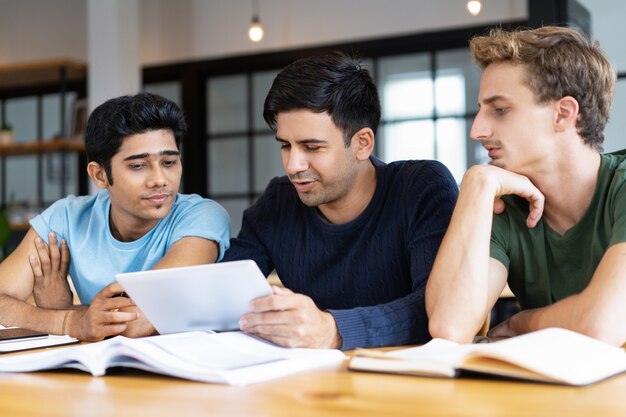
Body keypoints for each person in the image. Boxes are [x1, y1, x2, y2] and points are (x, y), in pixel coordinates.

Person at [222, 51, 458, 350]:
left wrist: (333, 330)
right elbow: (224, 291)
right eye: (285, 146)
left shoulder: (421, 188)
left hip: (406, 382)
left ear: (362, 143)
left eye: (312, 147)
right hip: (310, 384)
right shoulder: (278, 201)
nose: (293, 165)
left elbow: (437, 308)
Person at [425, 26, 626, 346]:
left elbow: (601, 325)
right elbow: (449, 327)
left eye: (500, 109)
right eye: (481, 110)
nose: (477, 129)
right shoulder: (505, 205)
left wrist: (525, 322)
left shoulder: (622, 187)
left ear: (563, 114)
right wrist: (476, 184)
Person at [0, 93, 230, 341]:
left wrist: (60, 312)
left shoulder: (203, 217)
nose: (160, 180)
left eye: (169, 162)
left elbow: (136, 320)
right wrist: (70, 321)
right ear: (99, 175)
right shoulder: (66, 217)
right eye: (138, 166)